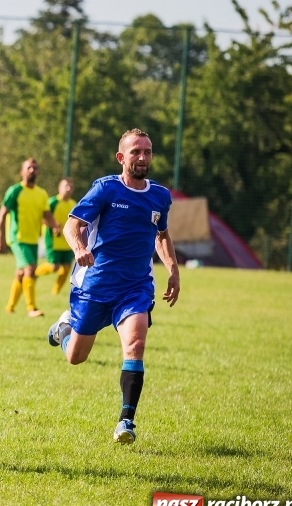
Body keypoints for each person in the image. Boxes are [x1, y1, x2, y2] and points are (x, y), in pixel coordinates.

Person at [47, 128, 180, 445]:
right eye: (136, 151)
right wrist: (79, 249)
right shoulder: (106, 189)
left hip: (135, 288)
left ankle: (126, 422)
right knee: (76, 357)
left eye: (147, 151)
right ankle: (64, 328)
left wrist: (173, 270)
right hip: (95, 286)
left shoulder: (160, 196)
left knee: (135, 346)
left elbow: (161, 235)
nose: (142, 157)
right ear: (122, 157)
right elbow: (72, 224)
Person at [0, 158, 59, 318]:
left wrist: (55, 226)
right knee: (30, 269)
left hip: (32, 240)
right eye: (29, 168)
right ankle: (31, 308)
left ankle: (10, 307)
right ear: (22, 171)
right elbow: (2, 215)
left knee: (22, 274)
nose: (32, 170)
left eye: (35, 168)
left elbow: (47, 215)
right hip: (17, 238)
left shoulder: (41, 193)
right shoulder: (15, 191)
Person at [36, 177, 77, 296]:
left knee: (67, 268)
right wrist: (53, 226)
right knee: (54, 266)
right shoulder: (52, 202)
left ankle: (55, 293)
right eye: (66, 186)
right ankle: (34, 273)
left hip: (67, 242)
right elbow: (43, 218)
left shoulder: (73, 204)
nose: (69, 189)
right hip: (53, 241)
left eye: (71, 187)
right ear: (59, 188)